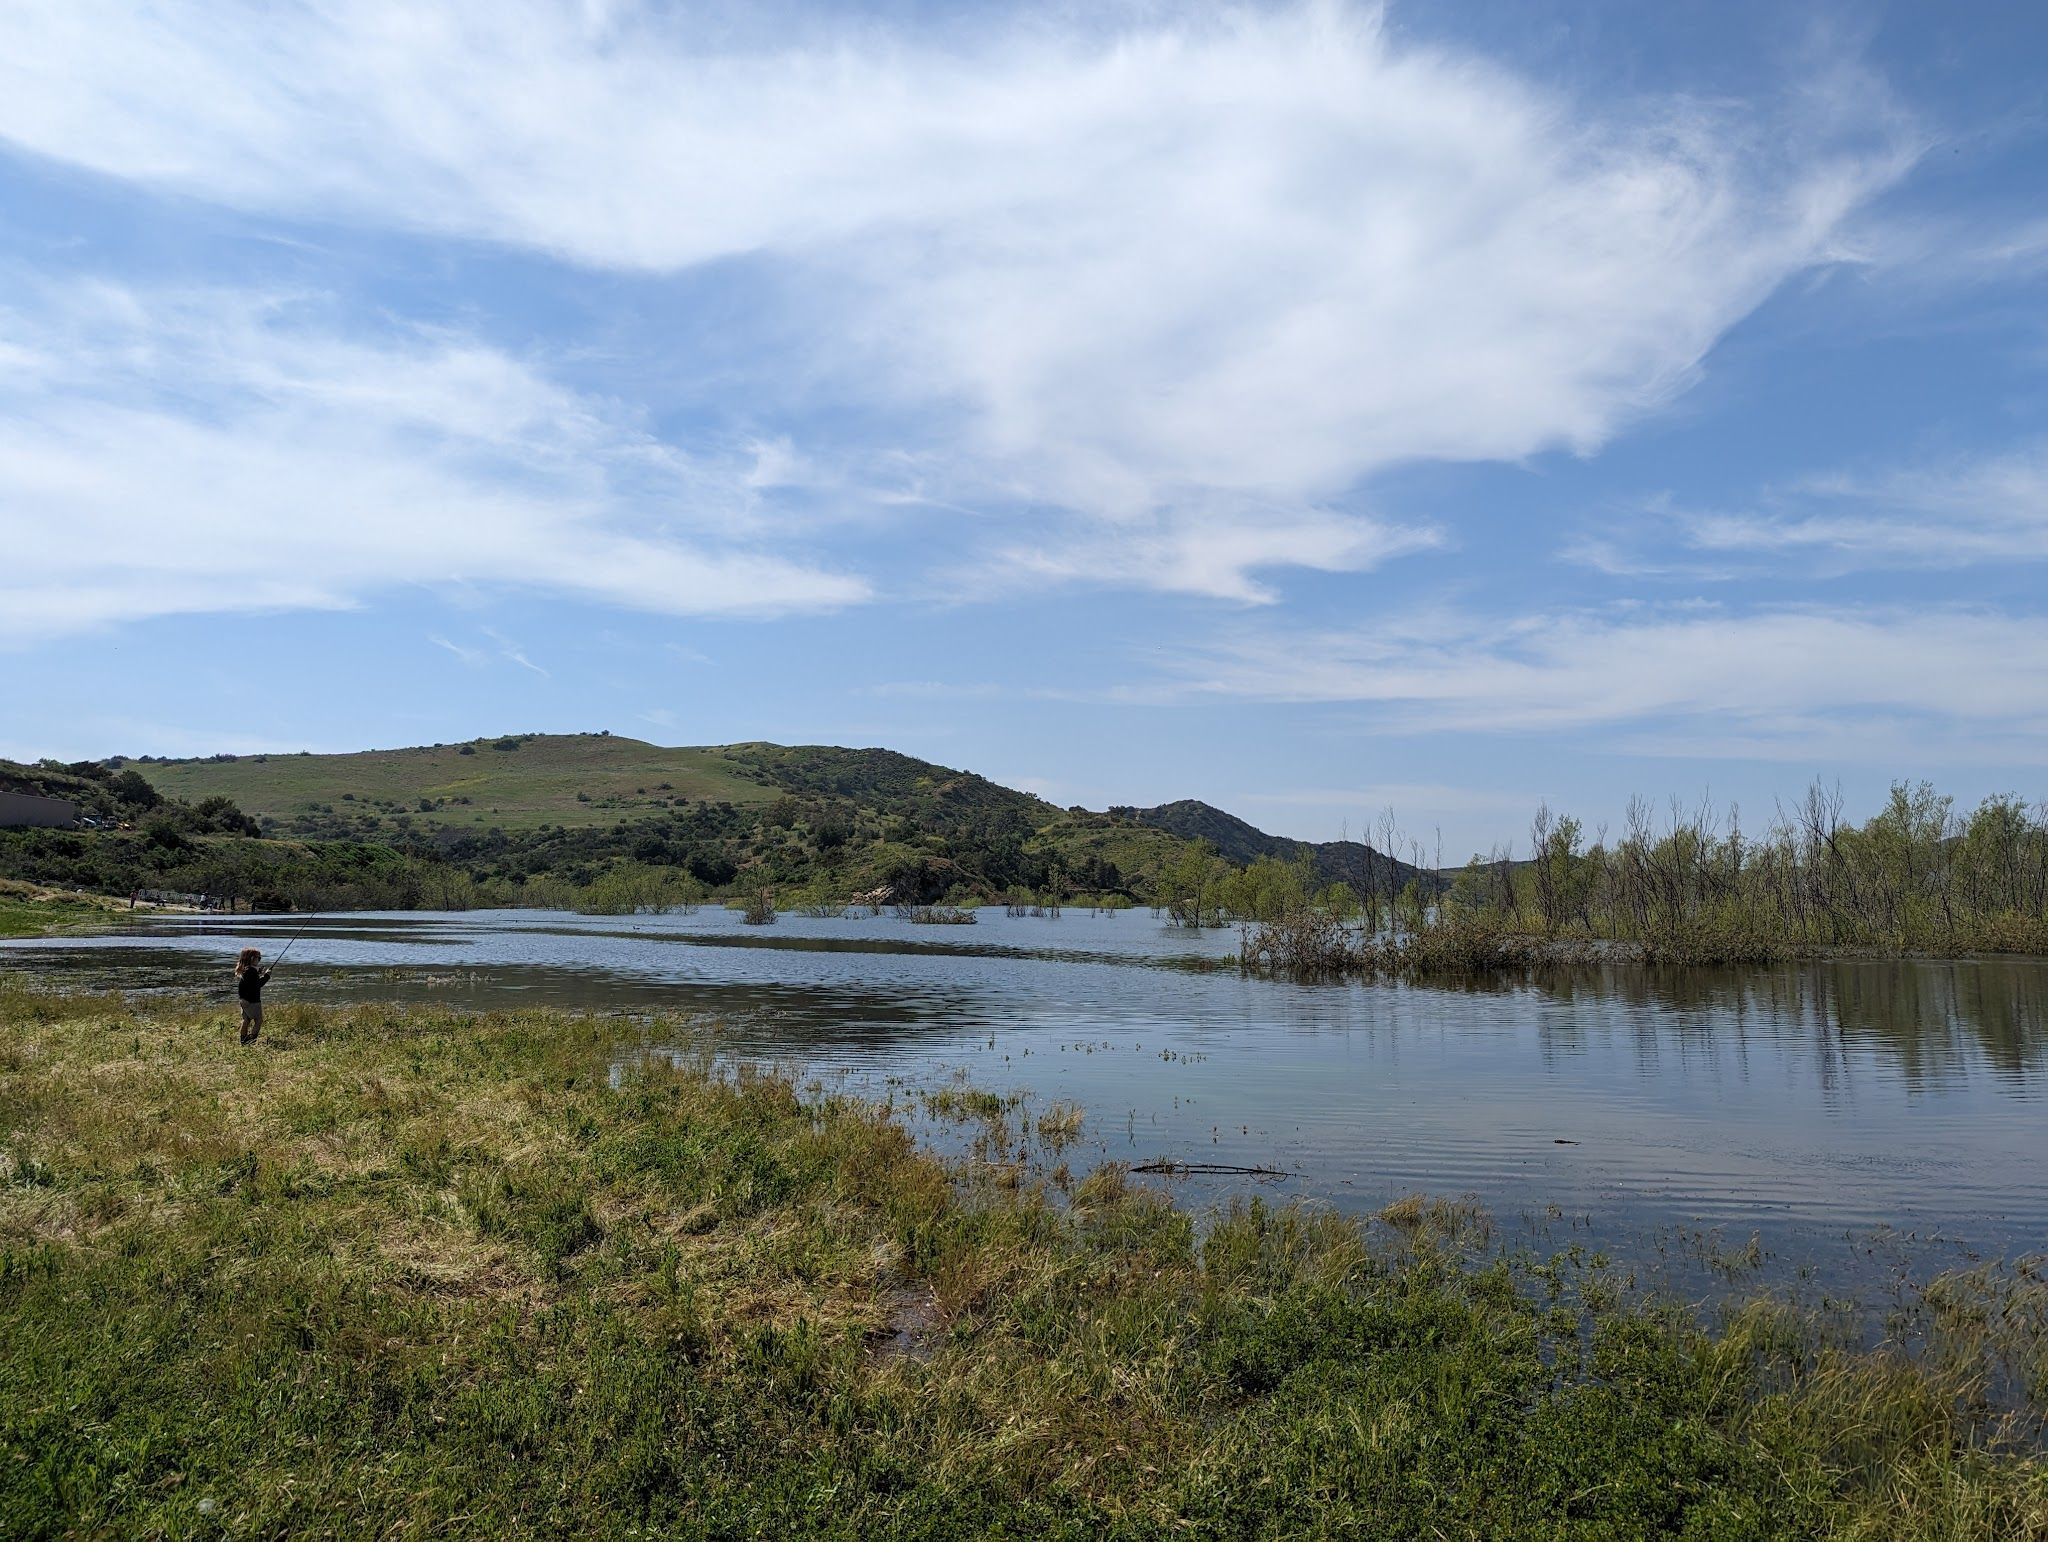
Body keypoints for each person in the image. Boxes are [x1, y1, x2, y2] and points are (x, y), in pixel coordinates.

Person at [234, 947, 272, 1044]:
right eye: (258, 958)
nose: (259, 960)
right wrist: (267, 976)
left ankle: (243, 1040)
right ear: (251, 959)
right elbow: (258, 985)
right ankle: (251, 1040)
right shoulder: (251, 972)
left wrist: (258, 973)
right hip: (253, 1001)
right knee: (258, 1020)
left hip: (244, 1000)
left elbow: (248, 984)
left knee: (246, 1020)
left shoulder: (245, 970)